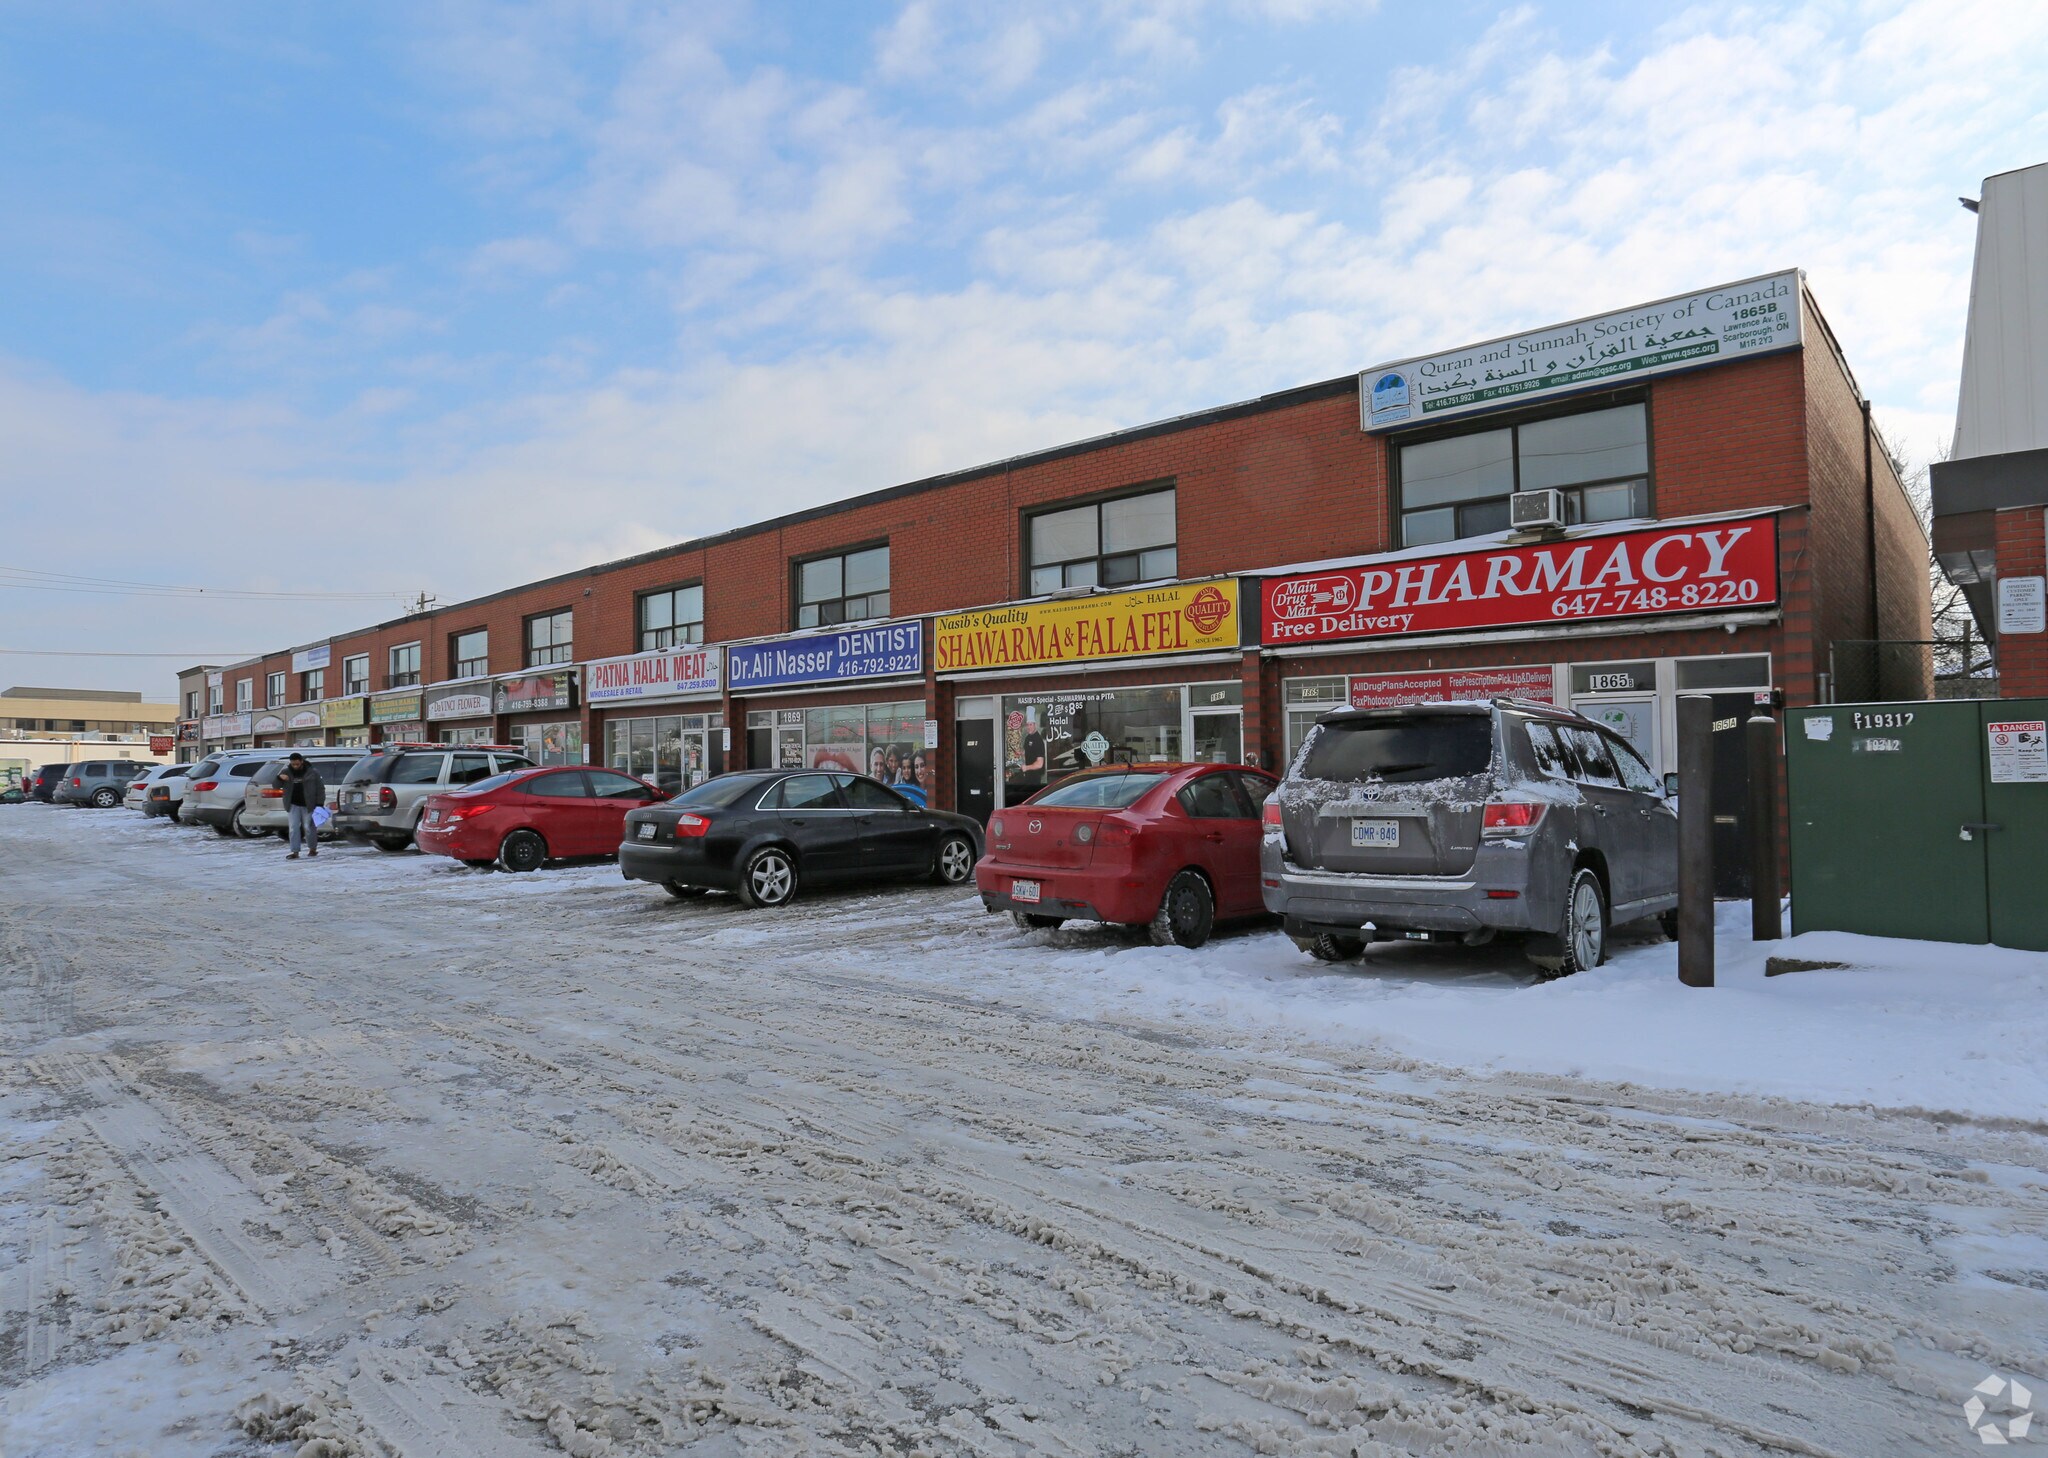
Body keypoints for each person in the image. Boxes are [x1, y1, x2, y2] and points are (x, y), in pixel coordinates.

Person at [279, 752, 327, 860]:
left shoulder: (312, 772)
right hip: (292, 804)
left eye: (297, 764)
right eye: (293, 764)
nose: (295, 766)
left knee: (308, 827)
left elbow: (320, 789)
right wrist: (280, 778)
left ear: (301, 761)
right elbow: (275, 785)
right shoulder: (286, 772)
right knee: (293, 828)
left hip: (308, 805)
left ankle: (312, 849)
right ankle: (295, 851)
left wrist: (319, 803)